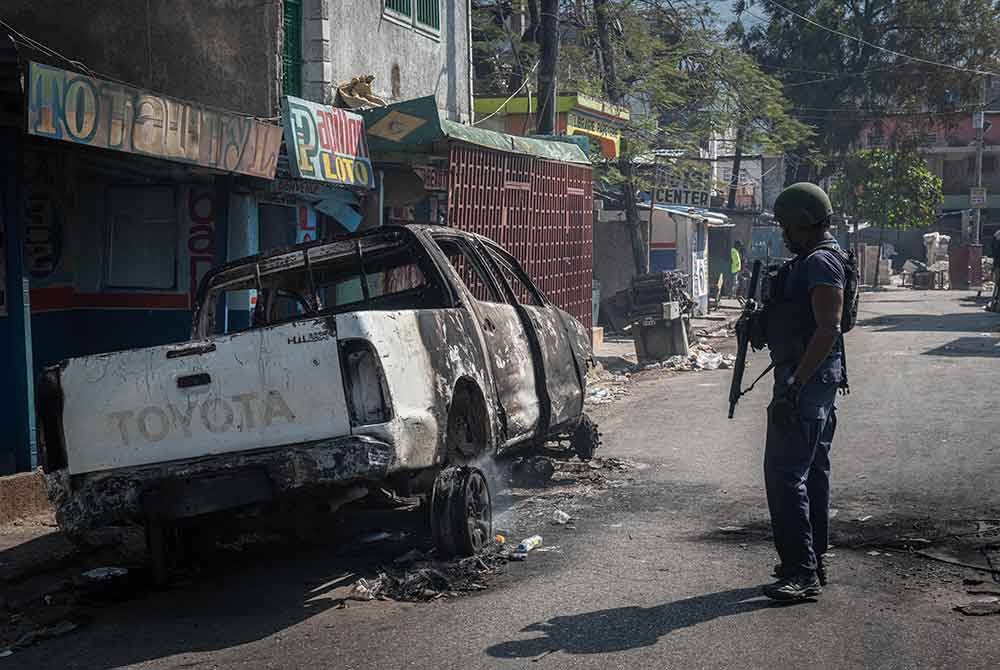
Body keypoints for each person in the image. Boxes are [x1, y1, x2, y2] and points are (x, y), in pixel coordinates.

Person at [760, 182, 846, 601]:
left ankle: (801, 571)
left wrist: (794, 385)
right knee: (810, 472)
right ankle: (811, 560)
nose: (783, 235)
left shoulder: (821, 263)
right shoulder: (815, 260)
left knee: (784, 475)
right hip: (813, 379)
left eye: (786, 227)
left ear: (802, 224)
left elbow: (828, 327)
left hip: (807, 382)